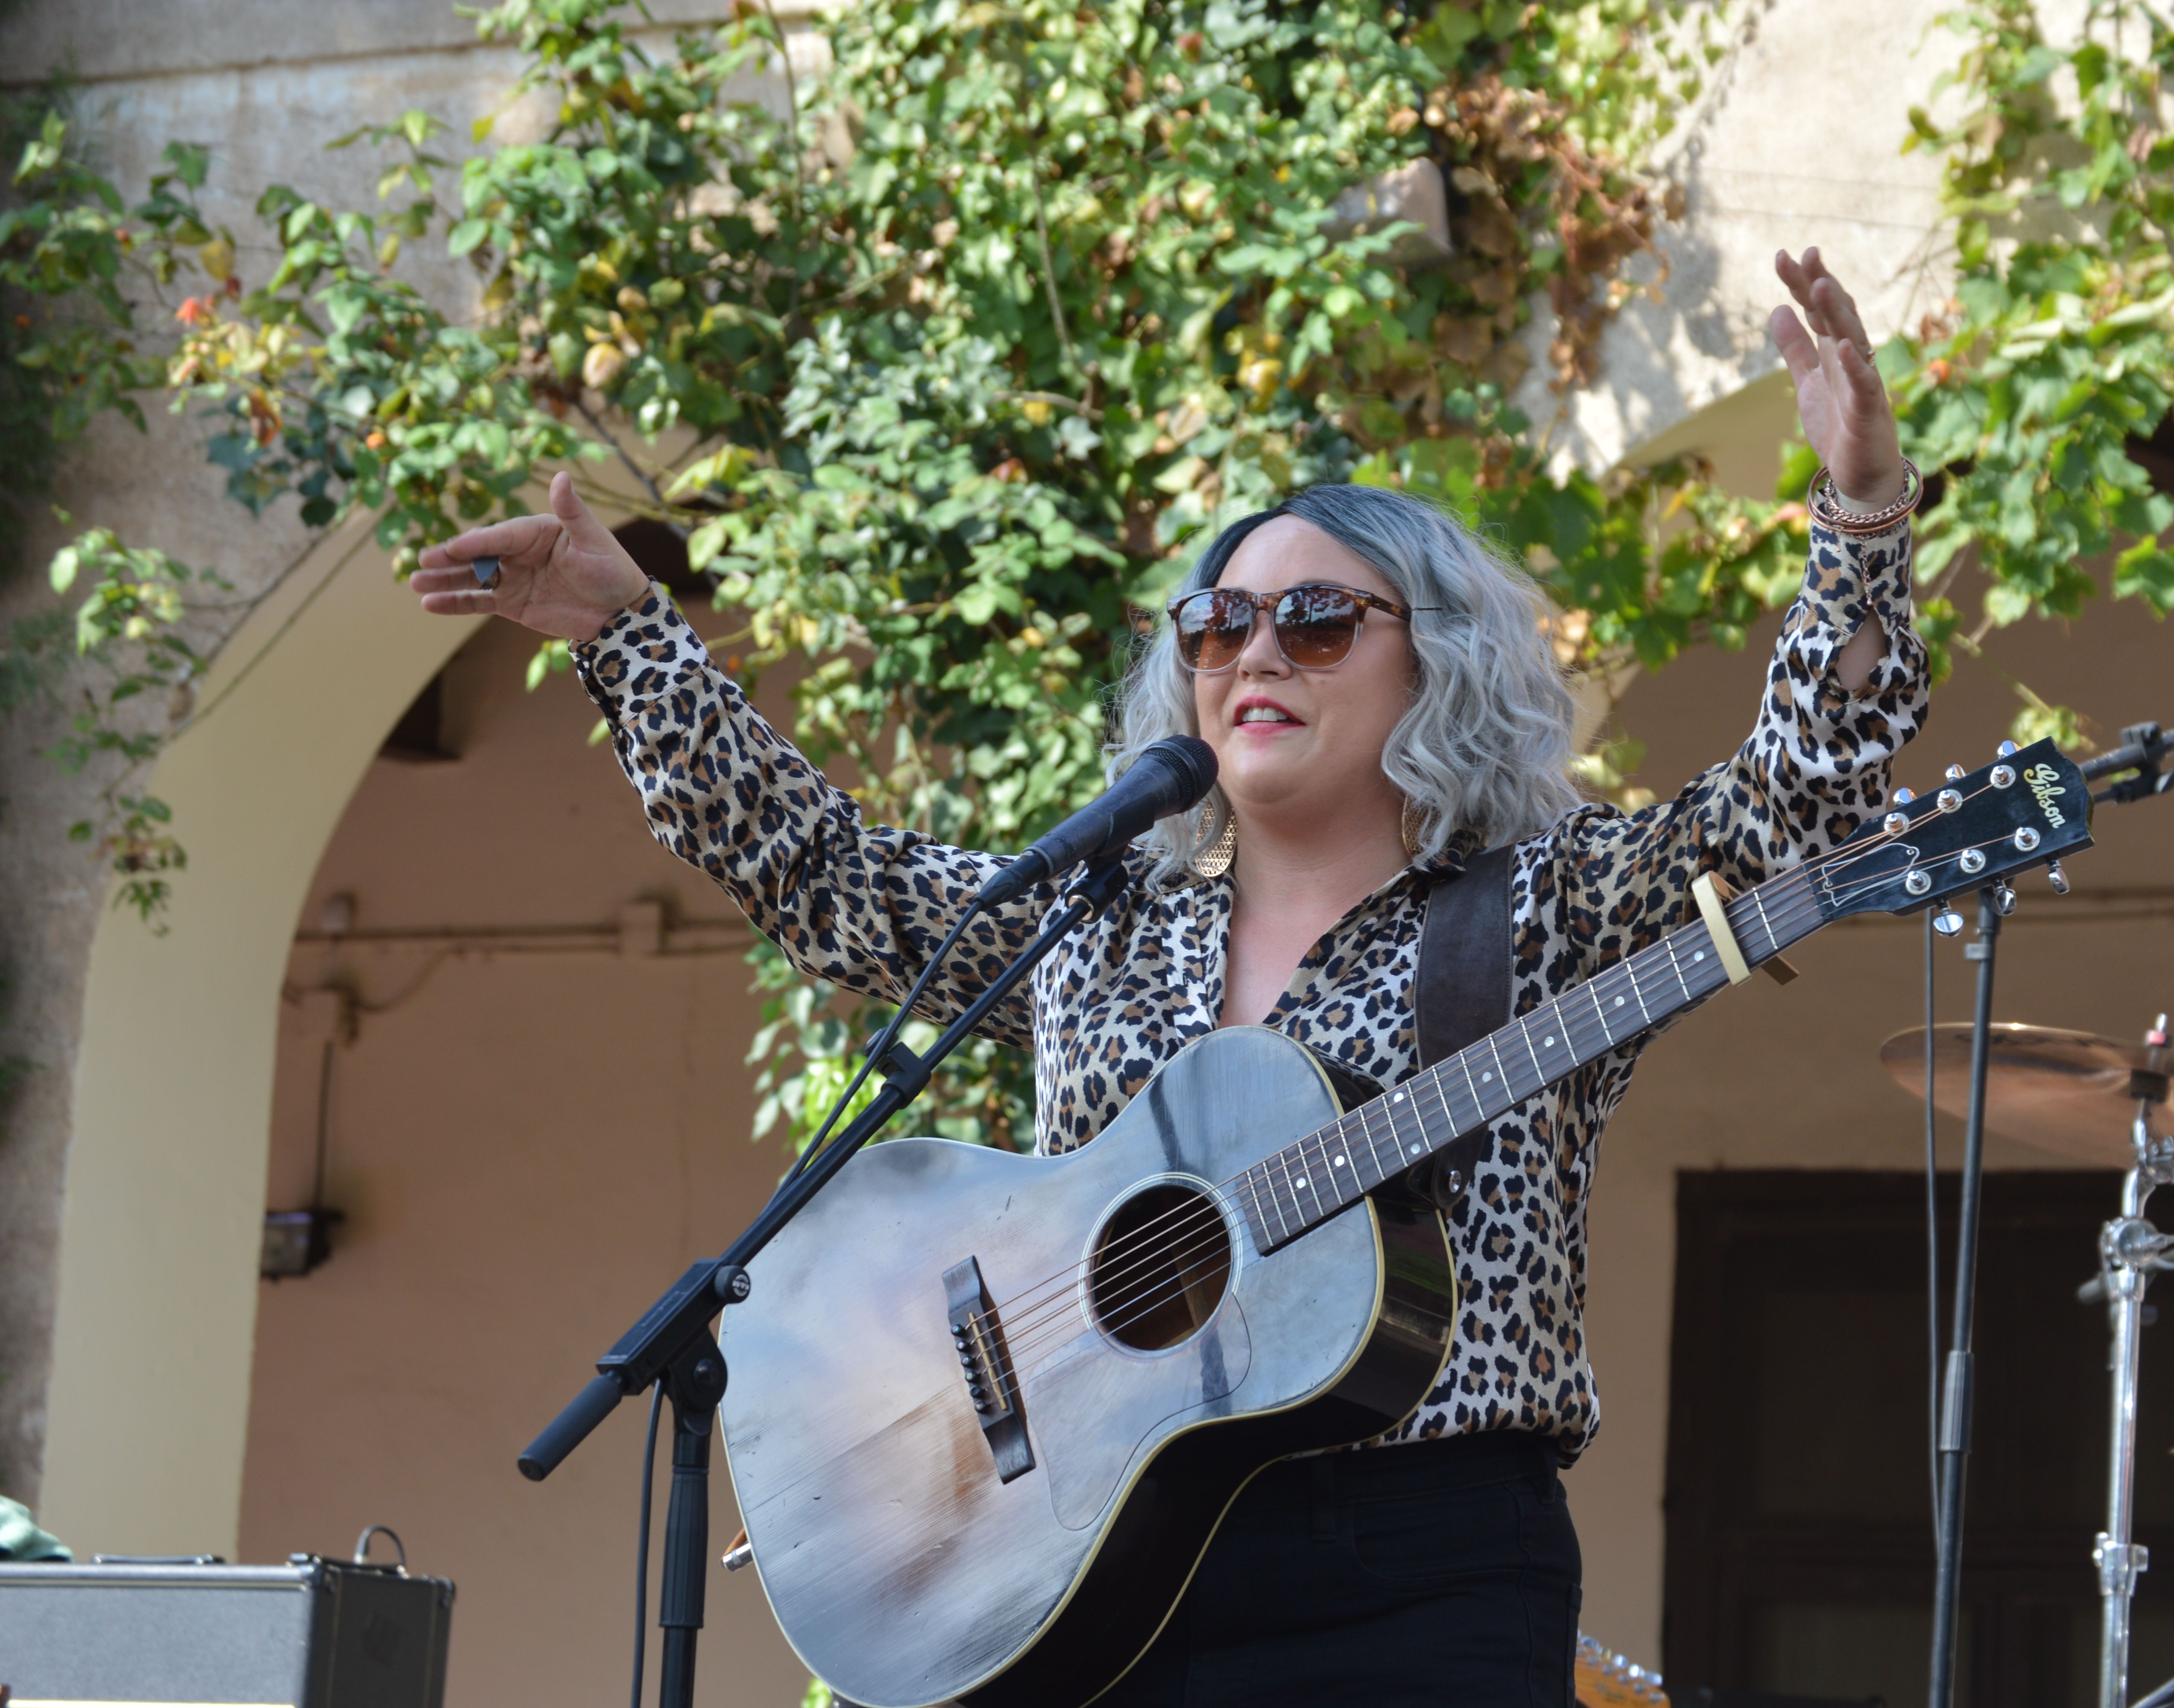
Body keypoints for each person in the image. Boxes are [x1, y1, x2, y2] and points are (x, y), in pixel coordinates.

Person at [417, 247, 1926, 1705]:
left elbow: (1790, 803)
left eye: (1320, 619)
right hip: (1091, 1567)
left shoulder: (1540, 909)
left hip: (1420, 1572)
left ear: (1439, 662)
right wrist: (629, 637)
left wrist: (1858, 510)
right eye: (1221, 622)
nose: (1257, 649)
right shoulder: (1102, 922)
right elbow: (824, 877)